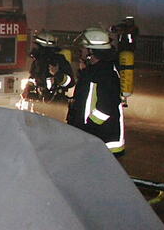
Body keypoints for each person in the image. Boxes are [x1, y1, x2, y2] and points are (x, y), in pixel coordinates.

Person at [66, 27, 125, 156]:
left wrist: (87, 129)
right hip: (93, 140)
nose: (80, 51)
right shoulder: (94, 71)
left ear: (91, 51)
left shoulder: (105, 74)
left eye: (83, 48)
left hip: (103, 142)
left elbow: (104, 109)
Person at [21, 31, 75, 104]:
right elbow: (32, 77)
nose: (34, 48)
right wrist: (27, 88)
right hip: (40, 102)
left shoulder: (59, 61)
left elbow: (70, 82)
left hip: (56, 103)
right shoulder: (37, 62)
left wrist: (57, 73)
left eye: (36, 46)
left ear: (43, 48)